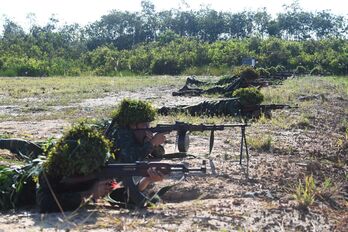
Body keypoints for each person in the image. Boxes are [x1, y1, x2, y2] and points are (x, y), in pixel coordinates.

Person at [106, 98, 167, 162]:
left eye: (148, 123)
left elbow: (159, 154)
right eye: (144, 124)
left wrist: (154, 145)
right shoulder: (121, 134)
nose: (147, 126)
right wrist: (151, 143)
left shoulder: (139, 133)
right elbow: (129, 159)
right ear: (133, 125)